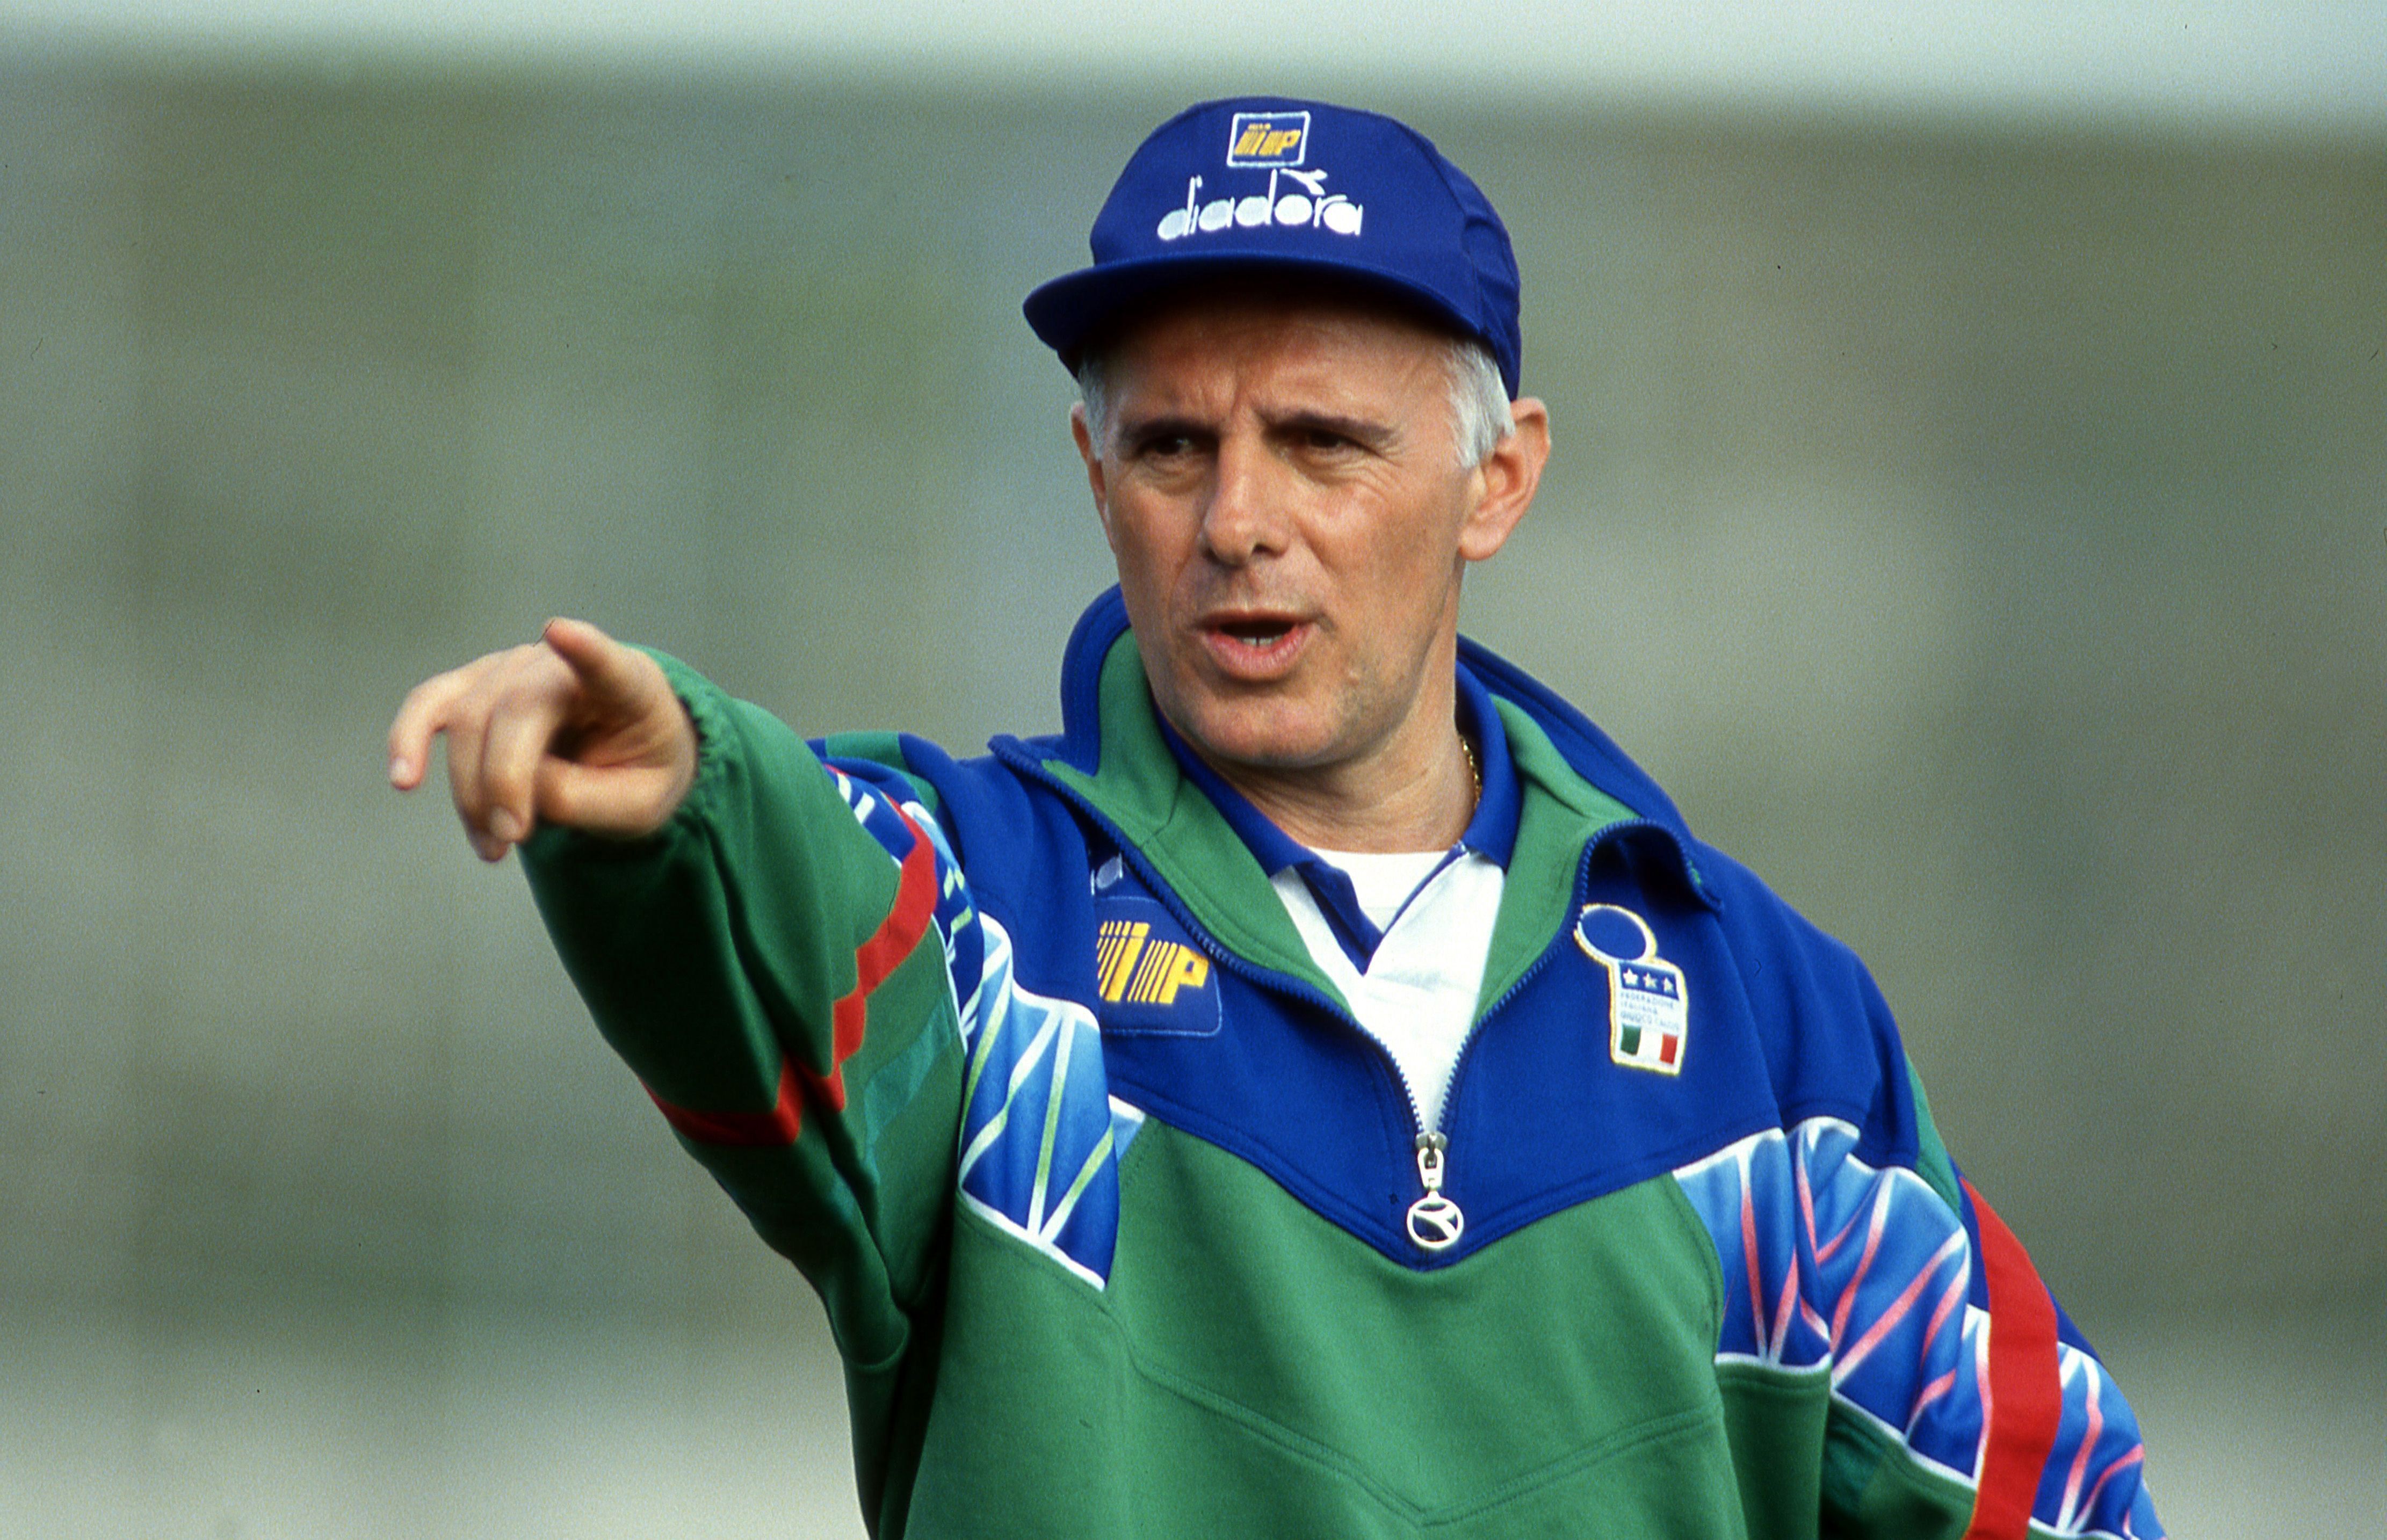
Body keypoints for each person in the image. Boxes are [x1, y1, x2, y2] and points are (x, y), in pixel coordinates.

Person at [388, 97, 2162, 1539]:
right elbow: (796, 881)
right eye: (1172, 448)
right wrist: (677, 785)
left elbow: (2049, 1486)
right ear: (1094, 479)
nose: (1238, 517)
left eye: (1322, 443)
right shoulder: (998, 925)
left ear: (1499, 479)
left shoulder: (1766, 1030)